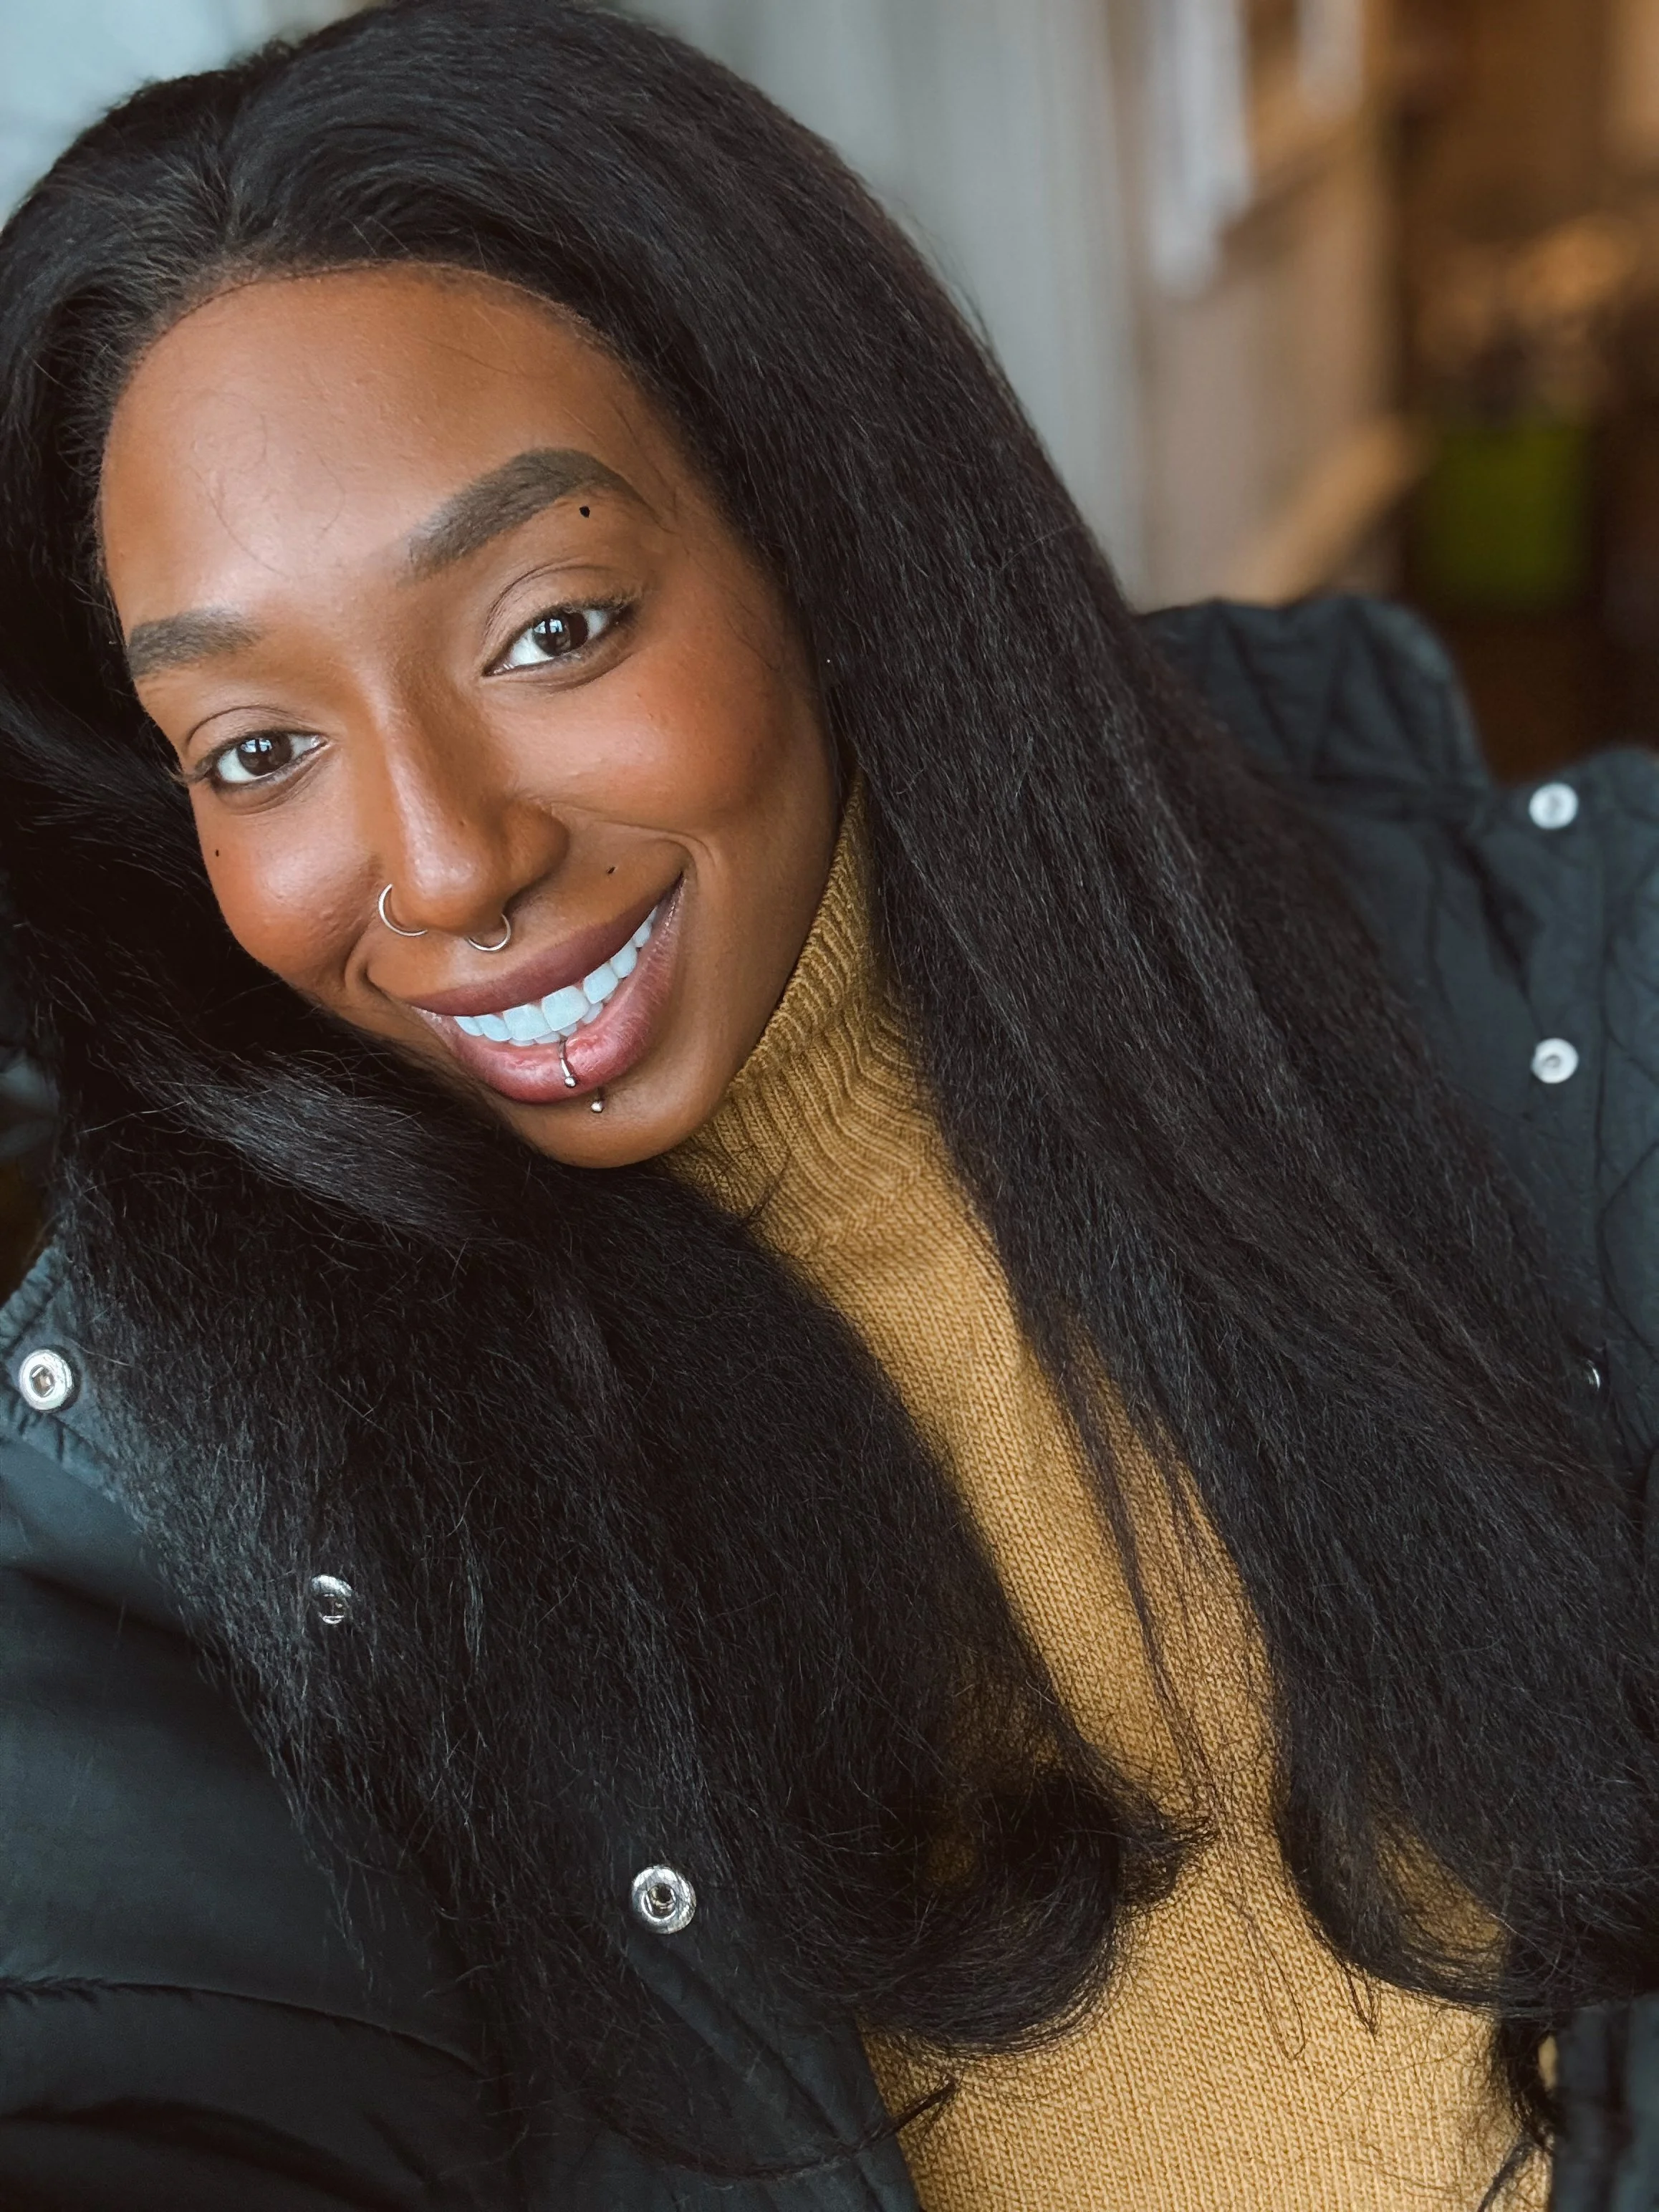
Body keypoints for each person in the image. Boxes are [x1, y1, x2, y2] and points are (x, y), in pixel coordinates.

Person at [0, 4, 1655, 2207]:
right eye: (257, 749)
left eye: (552, 625)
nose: (445, 863)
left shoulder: (1542, 976)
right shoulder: (171, 1493)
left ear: (816, 524)